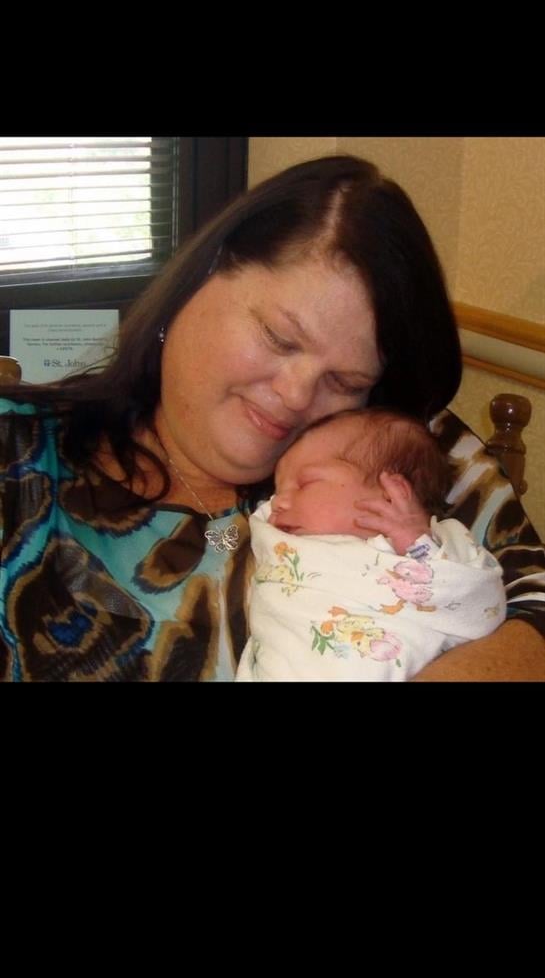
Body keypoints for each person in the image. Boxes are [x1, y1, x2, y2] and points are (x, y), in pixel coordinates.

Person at [0, 154, 544, 681]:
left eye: (345, 382)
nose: (295, 395)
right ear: (201, 278)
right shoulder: (19, 458)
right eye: (278, 338)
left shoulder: (389, 447)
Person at [236, 408, 507, 681]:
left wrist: (419, 545)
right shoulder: (278, 537)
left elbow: (482, 607)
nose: (279, 502)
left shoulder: (431, 549)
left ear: (390, 496)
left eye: (305, 483)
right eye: (278, 489)